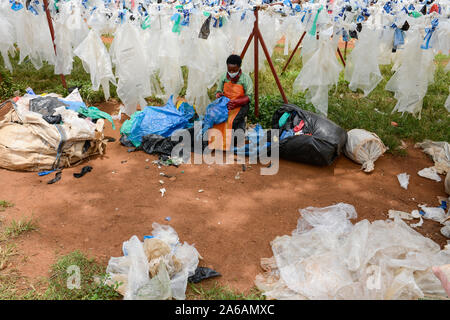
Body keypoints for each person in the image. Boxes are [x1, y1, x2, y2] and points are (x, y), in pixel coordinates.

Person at [215, 54, 253, 135]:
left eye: (234, 70)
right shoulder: (223, 77)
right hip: (227, 104)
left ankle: (237, 133)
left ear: (239, 67)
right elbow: (218, 91)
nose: (231, 72)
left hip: (241, 105)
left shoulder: (245, 78)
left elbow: (249, 97)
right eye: (229, 70)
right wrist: (218, 95)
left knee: (232, 120)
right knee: (217, 118)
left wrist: (237, 102)